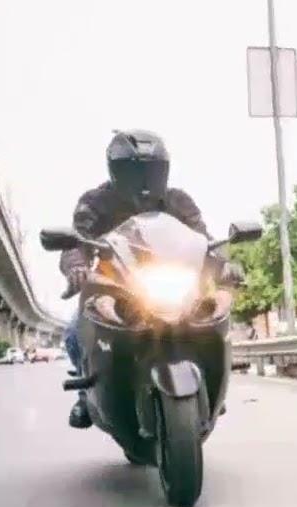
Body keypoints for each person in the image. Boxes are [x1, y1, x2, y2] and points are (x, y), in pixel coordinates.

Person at [60, 129, 211, 428]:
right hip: (115, 288)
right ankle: (85, 396)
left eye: (151, 170)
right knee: (74, 331)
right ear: (115, 172)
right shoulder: (95, 203)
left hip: (174, 285)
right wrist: (76, 266)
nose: (143, 179)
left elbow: (204, 239)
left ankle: (212, 377)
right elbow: (75, 242)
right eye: (133, 171)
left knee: (213, 311)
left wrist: (224, 263)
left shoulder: (178, 202)